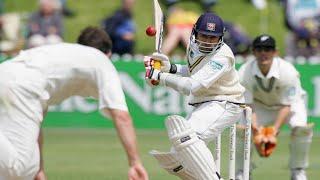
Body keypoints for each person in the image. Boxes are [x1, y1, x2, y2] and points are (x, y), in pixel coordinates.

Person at [0, 26, 149, 180]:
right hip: (21, 86)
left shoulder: (62, 54)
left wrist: (39, 170)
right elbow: (121, 116)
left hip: (6, 74)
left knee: (28, 168)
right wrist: (135, 163)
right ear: (108, 54)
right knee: (19, 169)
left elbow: (36, 124)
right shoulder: (101, 61)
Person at [144, 12, 245, 179]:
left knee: (188, 138)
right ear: (195, 32)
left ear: (220, 38)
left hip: (225, 103)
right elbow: (193, 72)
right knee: (178, 154)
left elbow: (192, 86)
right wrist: (171, 68)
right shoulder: (194, 47)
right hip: (204, 102)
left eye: (213, 38)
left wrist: (160, 77)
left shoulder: (223, 57)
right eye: (204, 36)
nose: (207, 41)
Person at [237, 34, 313, 180]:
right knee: (242, 131)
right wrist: (256, 129)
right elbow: (248, 105)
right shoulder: (244, 72)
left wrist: (273, 131)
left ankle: (298, 171)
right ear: (253, 52)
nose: (263, 53)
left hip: (289, 106)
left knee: (301, 129)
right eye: (259, 49)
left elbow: (287, 105)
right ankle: (242, 172)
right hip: (259, 106)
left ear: (275, 52)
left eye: (268, 49)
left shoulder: (288, 72)